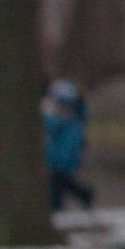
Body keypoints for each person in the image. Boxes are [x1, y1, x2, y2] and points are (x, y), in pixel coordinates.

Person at [42, 78, 94, 210]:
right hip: (65, 155)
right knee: (63, 182)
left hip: (59, 156)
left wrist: (46, 113)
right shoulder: (76, 119)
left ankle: (58, 208)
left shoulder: (65, 119)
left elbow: (51, 126)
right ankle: (84, 195)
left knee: (57, 184)